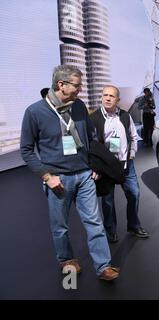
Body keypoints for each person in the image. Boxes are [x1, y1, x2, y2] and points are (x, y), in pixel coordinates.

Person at [20, 65, 119, 281]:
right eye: (76, 85)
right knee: (60, 227)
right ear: (61, 85)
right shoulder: (34, 112)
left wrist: (96, 166)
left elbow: (91, 138)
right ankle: (67, 259)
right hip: (58, 179)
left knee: (94, 222)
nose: (80, 89)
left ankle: (103, 266)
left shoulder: (79, 106)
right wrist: (47, 177)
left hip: (85, 175)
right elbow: (26, 150)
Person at [90, 86, 150, 243]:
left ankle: (134, 226)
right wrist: (96, 167)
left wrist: (131, 155)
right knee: (108, 201)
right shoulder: (94, 118)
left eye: (111, 96)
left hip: (126, 165)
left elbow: (133, 136)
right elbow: (92, 145)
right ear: (101, 98)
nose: (108, 98)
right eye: (105, 95)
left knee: (134, 194)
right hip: (106, 167)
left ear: (118, 100)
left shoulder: (125, 115)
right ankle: (110, 231)